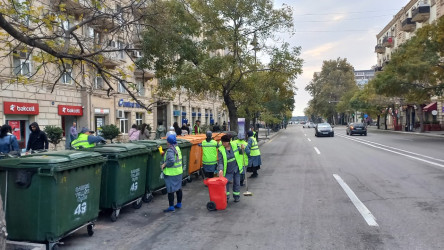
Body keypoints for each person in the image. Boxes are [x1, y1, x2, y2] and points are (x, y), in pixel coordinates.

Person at [217, 134, 244, 203]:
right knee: (226, 184)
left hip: (236, 168)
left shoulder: (234, 146)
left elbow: (241, 153)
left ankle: (236, 197)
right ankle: (226, 198)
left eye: (224, 142)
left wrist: (242, 149)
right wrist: (220, 169)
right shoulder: (221, 150)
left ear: (228, 142)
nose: (222, 144)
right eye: (222, 142)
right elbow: (220, 161)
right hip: (227, 170)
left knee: (237, 183)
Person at [161, 134, 183, 212]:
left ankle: (171, 207)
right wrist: (164, 155)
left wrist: (164, 164)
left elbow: (171, 161)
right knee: (178, 188)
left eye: (167, 140)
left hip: (171, 173)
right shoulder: (177, 147)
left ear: (169, 142)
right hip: (178, 172)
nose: (166, 142)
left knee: (170, 190)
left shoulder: (170, 149)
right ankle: (179, 204)